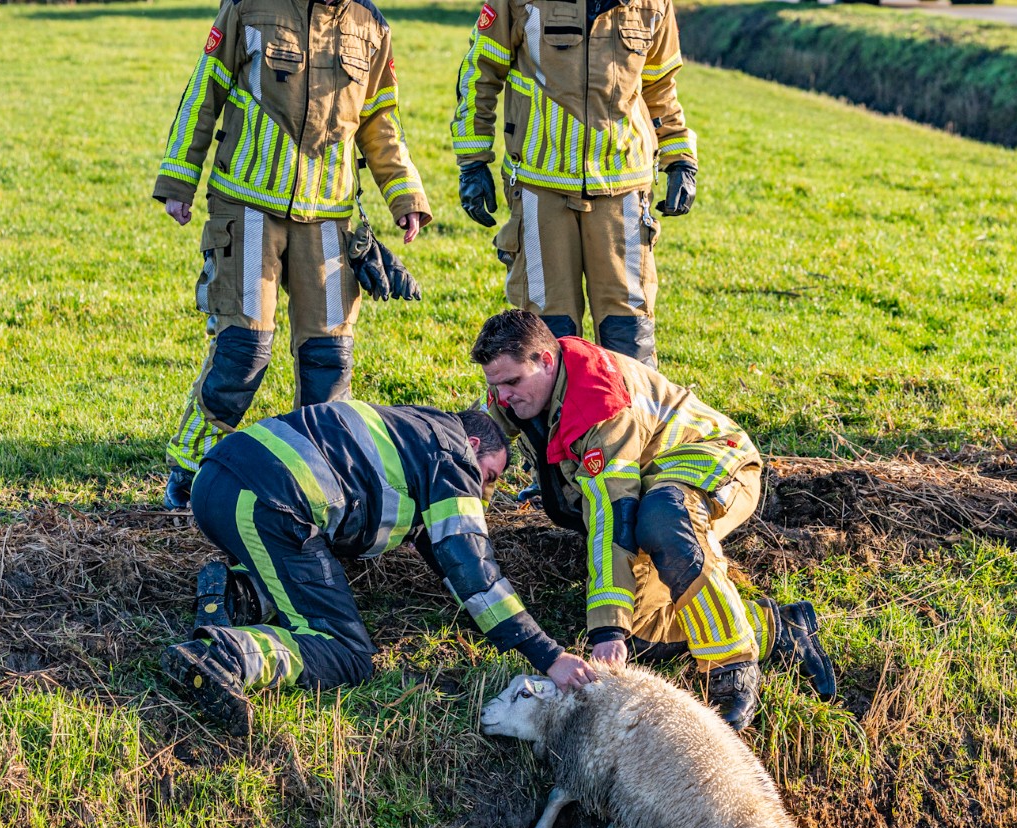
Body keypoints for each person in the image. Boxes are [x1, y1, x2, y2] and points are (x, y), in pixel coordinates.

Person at [472, 310, 834, 731]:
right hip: (648, 488)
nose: (503, 396)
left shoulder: (600, 402)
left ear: (546, 361)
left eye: (512, 382)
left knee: (661, 520)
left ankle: (732, 664)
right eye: (493, 385)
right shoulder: (515, 388)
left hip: (715, 461)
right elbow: (477, 442)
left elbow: (613, 514)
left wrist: (606, 629)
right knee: (640, 633)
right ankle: (778, 625)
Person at [154, 0, 431, 511]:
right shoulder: (248, 7)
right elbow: (204, 88)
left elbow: (380, 120)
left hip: (330, 216)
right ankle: (191, 466)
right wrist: (178, 179)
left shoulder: (372, 27)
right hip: (247, 201)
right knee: (243, 348)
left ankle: (318, 475)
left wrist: (405, 195)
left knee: (329, 360)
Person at [162, 402, 594, 729]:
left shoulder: (416, 430)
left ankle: (236, 596)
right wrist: (549, 655)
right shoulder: (455, 457)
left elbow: (444, 556)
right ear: (476, 446)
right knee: (348, 652)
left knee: (304, 567)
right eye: (491, 478)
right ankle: (223, 656)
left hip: (216, 485)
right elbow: (475, 572)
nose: (484, 496)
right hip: (269, 503)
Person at [449, 0, 697, 366]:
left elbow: (661, 88)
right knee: (546, 334)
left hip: (625, 191)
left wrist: (681, 161)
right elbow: (479, 72)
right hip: (539, 188)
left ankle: (631, 421)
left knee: (628, 332)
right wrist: (472, 162)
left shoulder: (654, 3)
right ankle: (556, 423)